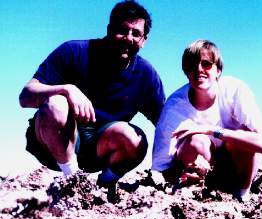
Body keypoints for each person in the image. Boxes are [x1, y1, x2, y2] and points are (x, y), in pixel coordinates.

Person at [19, 0, 166, 189]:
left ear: (144, 40)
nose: (128, 38)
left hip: (98, 150)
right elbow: (25, 96)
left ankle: (106, 184)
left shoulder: (147, 76)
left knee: (135, 138)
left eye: (136, 33)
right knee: (57, 103)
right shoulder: (74, 51)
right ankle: (72, 181)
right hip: (52, 144)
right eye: (122, 30)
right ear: (109, 29)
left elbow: (165, 125)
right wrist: (66, 89)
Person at [152, 39, 262, 201]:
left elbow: (261, 144)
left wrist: (212, 130)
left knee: (244, 138)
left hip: (234, 169)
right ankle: (198, 192)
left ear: (218, 70)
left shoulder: (236, 91)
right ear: (186, 71)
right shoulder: (174, 107)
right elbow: (160, 168)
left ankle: (241, 194)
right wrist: (180, 177)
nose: (199, 70)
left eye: (206, 64)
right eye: (192, 65)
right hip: (201, 172)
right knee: (197, 141)